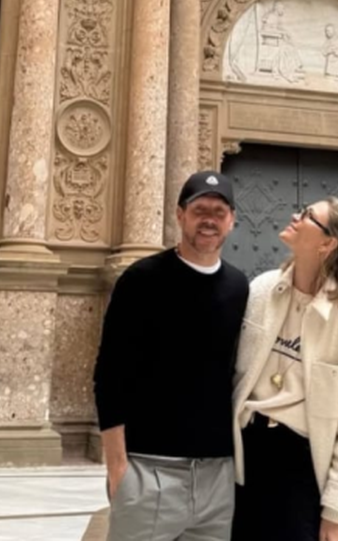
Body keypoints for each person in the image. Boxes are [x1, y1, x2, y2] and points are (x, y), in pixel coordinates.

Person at [94, 170, 248, 541]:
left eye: (219, 211)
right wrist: (118, 468)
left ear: (232, 221)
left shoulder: (240, 286)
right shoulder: (142, 279)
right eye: (199, 210)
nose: (209, 219)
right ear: (180, 216)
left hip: (217, 476)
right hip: (150, 470)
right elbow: (110, 376)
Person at [231, 198, 338, 541]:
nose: (296, 216)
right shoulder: (261, 290)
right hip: (242, 455)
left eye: (309, 216)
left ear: (327, 243)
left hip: (300, 467)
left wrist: (336, 511)